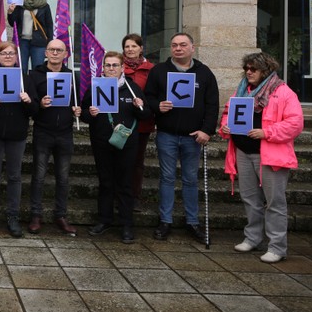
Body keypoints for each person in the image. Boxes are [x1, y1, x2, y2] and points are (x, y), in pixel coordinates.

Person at [218, 52, 303, 263]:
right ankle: (253, 238)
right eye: (246, 68)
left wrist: (267, 133)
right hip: (243, 152)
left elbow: (295, 123)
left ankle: (277, 247)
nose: (248, 72)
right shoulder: (241, 90)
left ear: (266, 71)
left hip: (270, 155)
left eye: (253, 69)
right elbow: (228, 113)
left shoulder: (283, 92)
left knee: (274, 202)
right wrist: (225, 126)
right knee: (250, 199)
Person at [144, 32, 219, 243]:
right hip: (167, 134)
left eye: (183, 45)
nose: (178, 48)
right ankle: (165, 220)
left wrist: (207, 130)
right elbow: (148, 97)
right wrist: (157, 106)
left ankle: (192, 222)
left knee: (190, 179)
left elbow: (212, 105)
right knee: (167, 178)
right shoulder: (159, 71)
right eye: (174, 45)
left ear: (192, 48)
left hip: (193, 137)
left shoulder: (204, 73)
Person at [81, 51, 150, 244]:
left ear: (122, 68)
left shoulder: (133, 88)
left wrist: (140, 106)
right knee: (105, 182)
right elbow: (83, 115)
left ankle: (127, 224)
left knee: (125, 183)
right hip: (101, 142)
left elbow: (146, 116)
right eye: (108, 65)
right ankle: (104, 220)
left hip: (126, 144)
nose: (111, 68)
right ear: (103, 68)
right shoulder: (95, 87)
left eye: (114, 65)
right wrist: (90, 112)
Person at [0, 41, 39, 237]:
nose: (8, 56)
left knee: (14, 176)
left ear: (17, 57)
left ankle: (13, 217)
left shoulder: (25, 79)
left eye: (11, 53)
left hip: (17, 135)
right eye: (4, 53)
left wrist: (28, 101)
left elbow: (35, 110)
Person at [28, 38, 80, 235]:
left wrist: (77, 110)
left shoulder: (71, 75)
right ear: (46, 53)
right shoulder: (35, 75)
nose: (55, 53)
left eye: (59, 50)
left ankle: (61, 215)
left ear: (65, 54)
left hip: (65, 132)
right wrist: (40, 105)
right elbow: (30, 106)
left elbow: (78, 101)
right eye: (52, 50)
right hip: (43, 130)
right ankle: (35, 215)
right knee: (39, 176)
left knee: (63, 178)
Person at [122, 33, 155, 211]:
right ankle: (119, 194)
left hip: (142, 123)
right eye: (127, 46)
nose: (130, 49)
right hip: (122, 121)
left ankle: (134, 197)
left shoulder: (151, 69)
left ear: (141, 48)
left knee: (137, 162)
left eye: (134, 46)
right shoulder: (118, 68)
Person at [8, 0, 55, 72]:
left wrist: (49, 43)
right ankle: (24, 86)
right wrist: (10, 12)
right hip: (23, 42)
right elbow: (12, 23)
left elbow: (49, 25)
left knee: (38, 69)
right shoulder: (20, 4)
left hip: (39, 42)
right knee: (22, 68)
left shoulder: (44, 6)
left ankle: (36, 87)